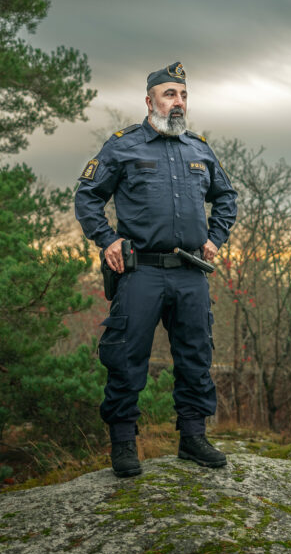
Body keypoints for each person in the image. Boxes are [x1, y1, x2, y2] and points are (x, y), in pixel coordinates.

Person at [75, 62, 238, 477]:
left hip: (190, 272)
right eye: (169, 94)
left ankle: (193, 438)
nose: (178, 102)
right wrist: (108, 239)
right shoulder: (123, 146)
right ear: (149, 101)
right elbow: (88, 196)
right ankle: (125, 445)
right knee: (127, 358)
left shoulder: (199, 149)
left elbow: (227, 197)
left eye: (183, 95)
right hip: (141, 272)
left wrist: (215, 238)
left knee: (196, 356)